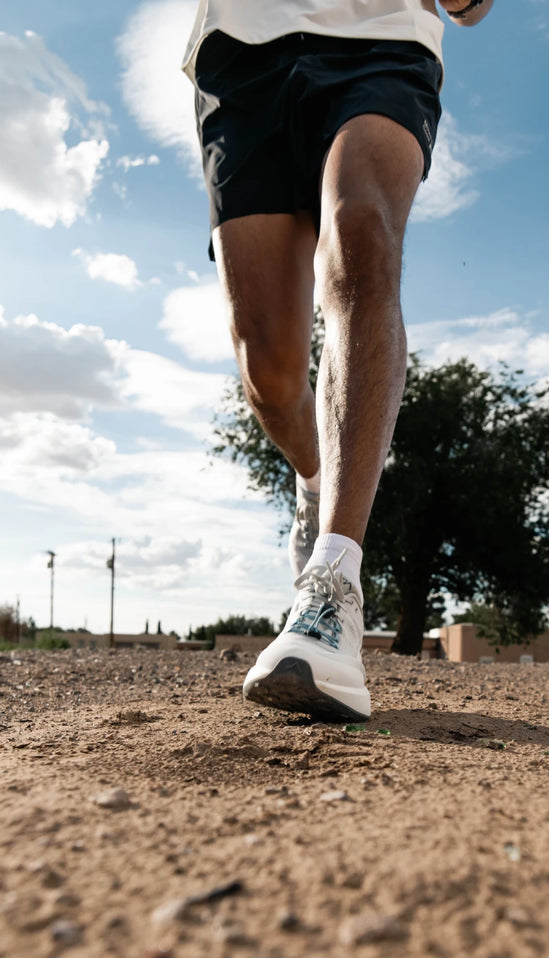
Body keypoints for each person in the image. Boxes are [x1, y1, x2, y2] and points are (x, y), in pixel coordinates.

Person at [183, 0, 495, 722]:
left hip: (381, 40)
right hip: (242, 49)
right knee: (271, 371)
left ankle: (332, 590)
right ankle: (314, 481)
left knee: (363, 236)